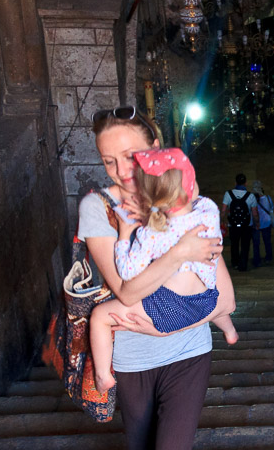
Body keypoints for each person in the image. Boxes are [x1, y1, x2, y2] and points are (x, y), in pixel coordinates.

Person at [80, 106, 228, 450]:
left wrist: (179, 318)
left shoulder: (183, 199)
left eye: (131, 156)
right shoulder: (97, 209)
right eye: (109, 162)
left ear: (156, 152)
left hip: (187, 350)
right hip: (134, 358)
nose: (122, 172)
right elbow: (124, 291)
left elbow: (224, 298)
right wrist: (179, 253)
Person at [89, 147, 238, 393]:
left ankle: (103, 375)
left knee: (100, 317)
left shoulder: (153, 234)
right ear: (192, 187)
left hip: (168, 310)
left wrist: (125, 235)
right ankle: (230, 331)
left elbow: (127, 272)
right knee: (207, 291)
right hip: (207, 301)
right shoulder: (208, 212)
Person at [220, 173, 258, 272]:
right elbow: (254, 213)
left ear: (235, 182)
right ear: (245, 183)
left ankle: (235, 263)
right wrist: (256, 223)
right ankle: (243, 265)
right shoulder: (251, 196)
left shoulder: (228, 194)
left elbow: (223, 210)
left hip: (232, 224)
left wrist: (222, 220)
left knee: (234, 244)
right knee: (245, 245)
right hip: (247, 225)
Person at [250, 180, 274, 268]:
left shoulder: (252, 199)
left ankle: (257, 260)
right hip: (267, 222)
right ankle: (269, 258)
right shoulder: (268, 198)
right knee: (267, 242)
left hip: (256, 223)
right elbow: (271, 208)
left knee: (256, 243)